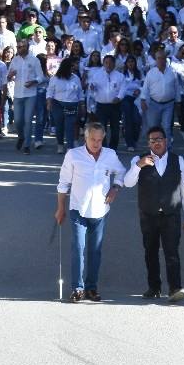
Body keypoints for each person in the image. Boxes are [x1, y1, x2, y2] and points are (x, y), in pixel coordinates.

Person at [54, 122, 127, 303]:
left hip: (100, 210)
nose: (96, 143)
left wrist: (115, 188)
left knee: (95, 250)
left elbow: (121, 172)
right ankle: (77, 288)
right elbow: (63, 183)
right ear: (85, 137)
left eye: (100, 140)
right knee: (78, 248)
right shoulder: (73, 155)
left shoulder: (109, 155)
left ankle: (91, 288)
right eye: (93, 139)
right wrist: (60, 208)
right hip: (78, 209)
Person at [122, 126, 184, 302]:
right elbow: (128, 183)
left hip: (171, 214)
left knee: (172, 251)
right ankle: (154, 287)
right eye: (152, 140)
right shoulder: (138, 160)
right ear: (148, 144)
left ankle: (175, 288)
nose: (156, 143)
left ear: (166, 141)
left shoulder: (178, 160)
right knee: (150, 251)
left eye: (159, 139)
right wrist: (138, 166)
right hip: (148, 215)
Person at [7, 38, 43, 153]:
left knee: (28, 120)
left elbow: (41, 77)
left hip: (30, 94)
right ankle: (21, 136)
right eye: (18, 47)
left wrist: (33, 82)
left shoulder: (34, 60)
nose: (19, 49)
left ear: (27, 47)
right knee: (18, 120)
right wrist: (10, 76)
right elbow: (8, 77)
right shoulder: (15, 60)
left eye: (21, 47)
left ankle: (27, 144)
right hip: (17, 94)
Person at [86, 53, 126, 150]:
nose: (108, 65)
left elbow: (123, 89)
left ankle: (113, 148)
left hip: (115, 105)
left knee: (115, 128)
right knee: (101, 128)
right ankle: (103, 148)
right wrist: (92, 87)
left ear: (114, 64)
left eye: (110, 63)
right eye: (106, 63)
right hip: (101, 105)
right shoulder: (97, 75)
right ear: (103, 63)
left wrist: (119, 97)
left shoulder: (120, 76)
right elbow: (92, 86)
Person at [46, 55, 84, 153]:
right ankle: (60, 144)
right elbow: (50, 92)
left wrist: (82, 105)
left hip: (72, 104)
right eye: (71, 66)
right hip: (57, 104)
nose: (73, 68)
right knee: (59, 126)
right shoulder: (55, 78)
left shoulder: (76, 78)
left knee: (70, 126)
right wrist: (49, 103)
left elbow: (80, 93)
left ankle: (70, 147)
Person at [140, 50, 180, 141]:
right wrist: (143, 100)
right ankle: (153, 148)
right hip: (153, 104)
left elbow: (177, 88)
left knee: (166, 127)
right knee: (153, 127)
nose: (161, 60)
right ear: (156, 60)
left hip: (168, 104)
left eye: (163, 58)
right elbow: (145, 88)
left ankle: (167, 148)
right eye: (158, 58)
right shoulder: (151, 73)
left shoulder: (172, 72)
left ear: (166, 59)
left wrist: (178, 102)